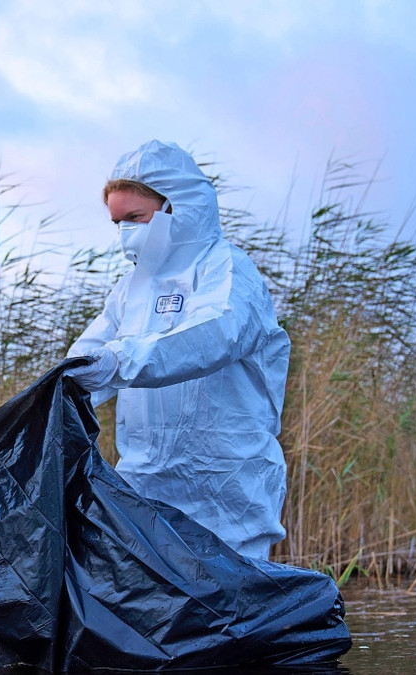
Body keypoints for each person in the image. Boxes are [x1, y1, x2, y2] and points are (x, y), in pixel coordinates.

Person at [65, 140, 290, 560]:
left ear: (176, 207)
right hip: (146, 488)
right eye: (118, 223)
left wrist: (121, 361)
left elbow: (214, 336)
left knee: (232, 617)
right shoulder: (131, 291)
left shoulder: (227, 270)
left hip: (227, 492)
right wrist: (30, 405)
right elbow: (83, 364)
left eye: (135, 218)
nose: (126, 233)